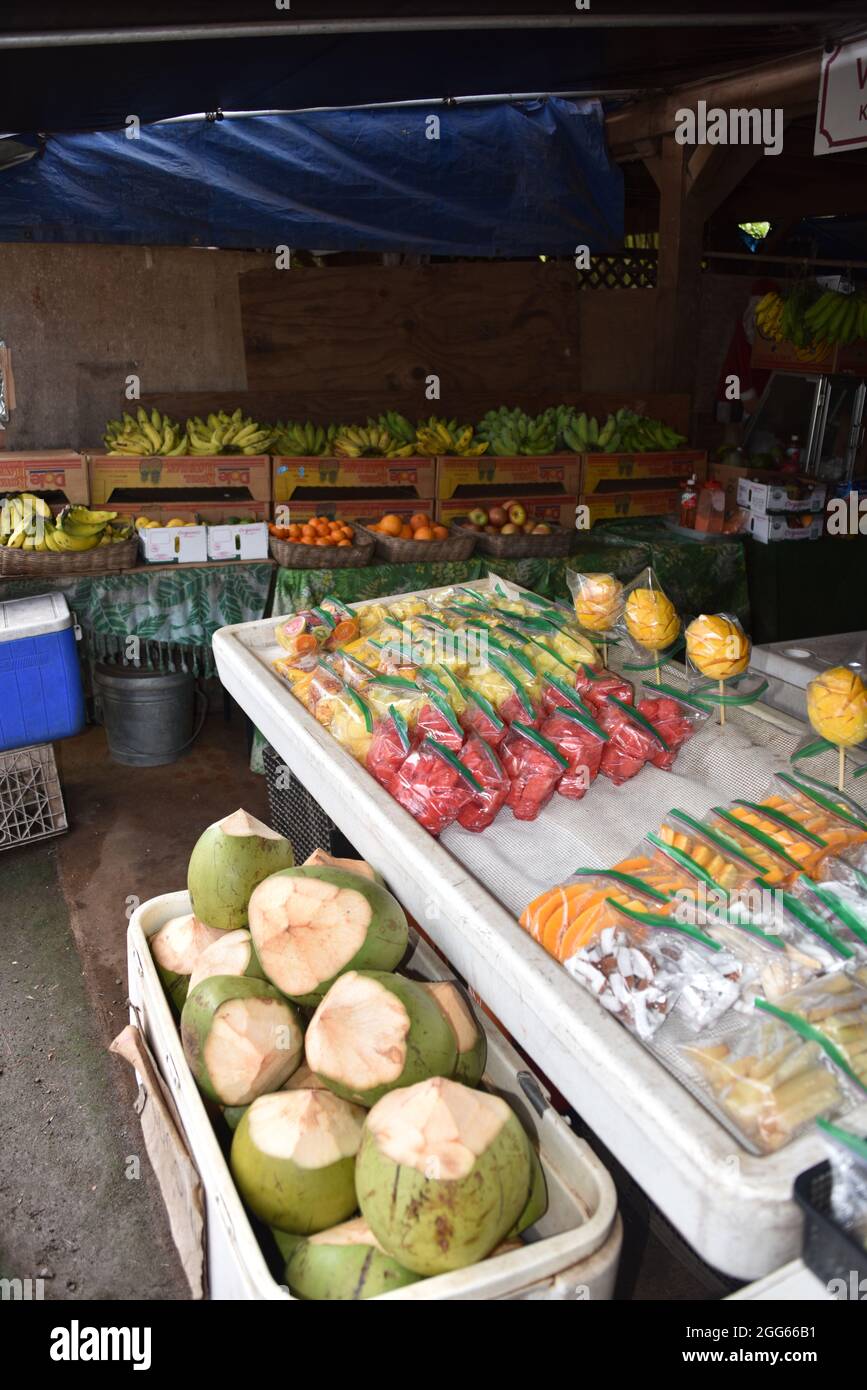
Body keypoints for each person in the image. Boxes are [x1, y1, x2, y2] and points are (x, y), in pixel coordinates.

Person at [715, 277, 778, 420]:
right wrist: (747, 393)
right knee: (732, 424)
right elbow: (738, 361)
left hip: (755, 385)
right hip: (737, 383)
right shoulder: (746, 324)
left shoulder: (771, 327)